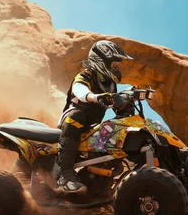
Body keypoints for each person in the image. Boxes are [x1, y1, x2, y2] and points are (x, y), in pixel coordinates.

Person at [52, 40, 133, 194]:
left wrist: (126, 102)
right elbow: (79, 89)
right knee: (77, 115)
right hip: (71, 123)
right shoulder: (85, 75)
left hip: (91, 128)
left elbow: (117, 104)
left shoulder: (110, 84)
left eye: (118, 66)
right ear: (101, 62)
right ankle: (64, 173)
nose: (117, 69)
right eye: (114, 65)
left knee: (117, 126)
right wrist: (95, 97)